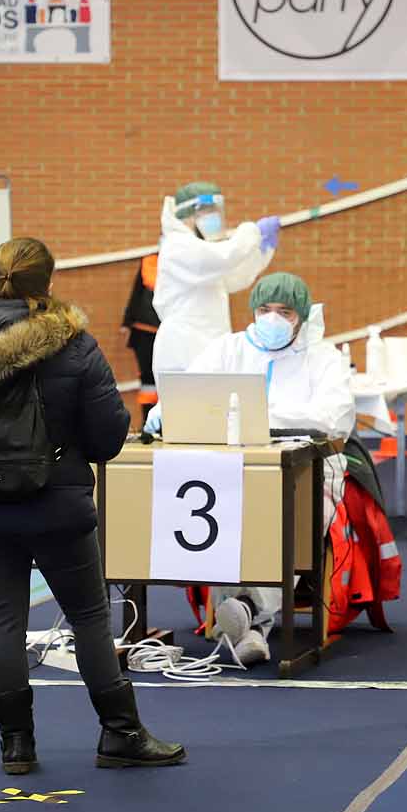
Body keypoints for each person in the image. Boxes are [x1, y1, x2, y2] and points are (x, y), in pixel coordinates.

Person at [0, 238, 185, 774]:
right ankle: (120, 733)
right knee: (87, 618)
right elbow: (108, 438)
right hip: (57, 505)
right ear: (48, 285)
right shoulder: (73, 346)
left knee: (3, 617)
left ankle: (16, 744)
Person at [145, 272, 355, 665]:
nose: (272, 318)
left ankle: (248, 612)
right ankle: (253, 626)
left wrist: (261, 413)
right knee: (222, 521)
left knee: (285, 523)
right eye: (264, 309)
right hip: (233, 469)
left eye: (284, 311)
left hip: (308, 471)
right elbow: (190, 390)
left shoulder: (323, 358)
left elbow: (335, 417)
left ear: (301, 316)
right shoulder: (228, 349)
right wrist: (162, 411)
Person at [150, 181, 280, 374]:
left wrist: (261, 253)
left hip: (208, 344)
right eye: (208, 211)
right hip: (182, 349)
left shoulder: (199, 250)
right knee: (186, 403)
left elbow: (232, 278)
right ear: (189, 214)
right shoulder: (177, 246)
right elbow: (225, 256)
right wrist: (251, 231)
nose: (215, 217)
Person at [119, 253, 161, 425]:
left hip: (168, 331)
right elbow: (137, 293)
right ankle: (148, 422)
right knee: (148, 380)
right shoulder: (149, 261)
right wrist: (127, 323)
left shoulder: (184, 260)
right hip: (144, 331)